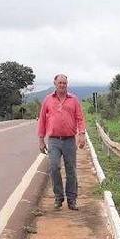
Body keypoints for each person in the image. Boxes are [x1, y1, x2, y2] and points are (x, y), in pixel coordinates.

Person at [37, 74, 86, 210]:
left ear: (67, 84)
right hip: (53, 141)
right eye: (60, 83)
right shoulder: (48, 100)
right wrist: (41, 139)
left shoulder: (74, 100)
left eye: (64, 83)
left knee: (71, 170)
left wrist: (81, 134)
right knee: (54, 167)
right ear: (55, 83)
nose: (62, 85)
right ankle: (58, 197)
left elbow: (80, 118)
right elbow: (42, 120)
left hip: (70, 140)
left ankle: (72, 200)